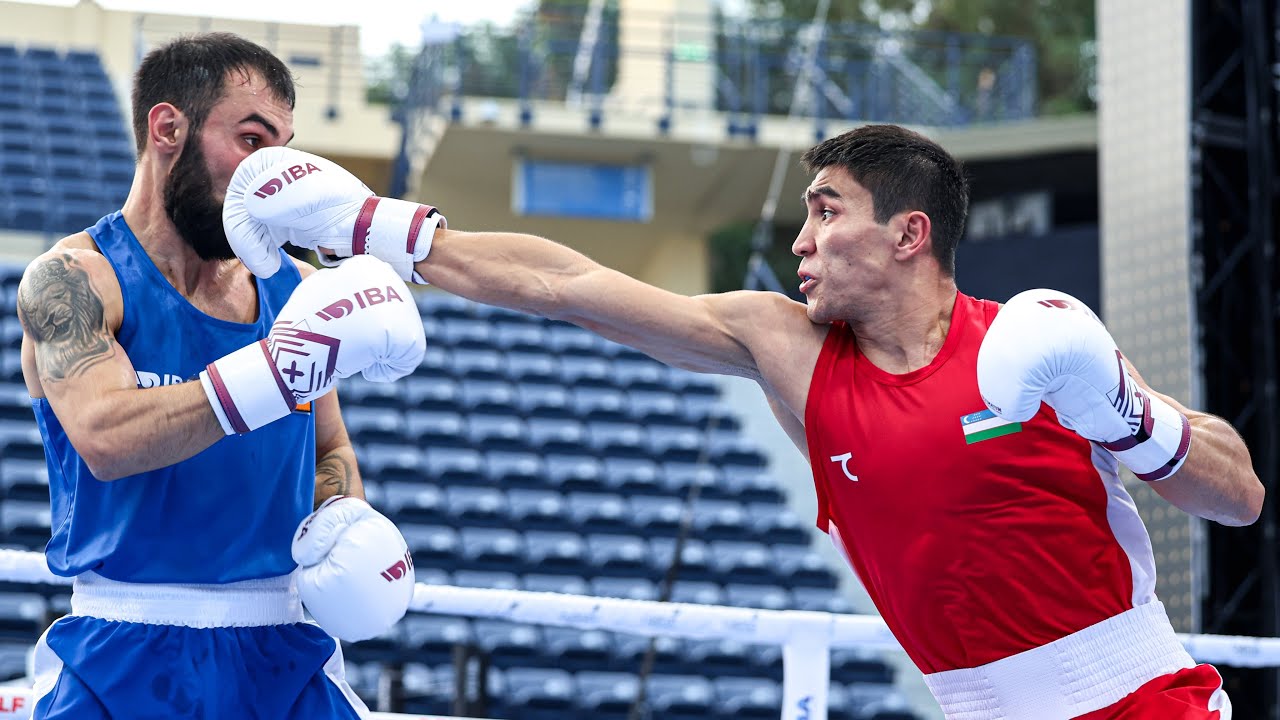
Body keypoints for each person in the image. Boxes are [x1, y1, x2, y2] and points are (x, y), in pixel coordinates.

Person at [225, 125, 1262, 720]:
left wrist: (1122, 416)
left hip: (1145, 705)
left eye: (824, 210)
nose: (798, 238)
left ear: (908, 234)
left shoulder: (1035, 346)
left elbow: (1238, 493)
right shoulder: (787, 347)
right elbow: (568, 284)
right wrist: (380, 228)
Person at [16, 33, 426, 719]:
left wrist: (345, 516)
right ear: (168, 127)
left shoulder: (293, 288)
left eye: (284, 151)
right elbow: (107, 436)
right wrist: (272, 369)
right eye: (252, 142)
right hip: (125, 649)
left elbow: (330, 448)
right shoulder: (74, 279)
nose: (272, 177)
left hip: (283, 650)